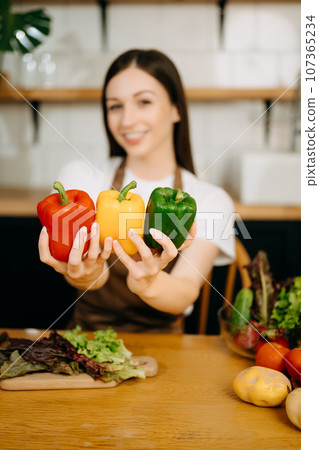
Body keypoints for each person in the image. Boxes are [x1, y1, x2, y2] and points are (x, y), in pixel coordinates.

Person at [38, 49, 235, 333]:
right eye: (115, 106)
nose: (127, 120)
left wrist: (149, 283)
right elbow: (96, 277)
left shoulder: (210, 199)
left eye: (144, 102)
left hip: (168, 353)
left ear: (176, 109)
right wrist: (86, 274)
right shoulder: (80, 178)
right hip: (86, 341)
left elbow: (185, 292)